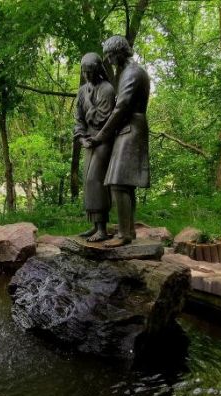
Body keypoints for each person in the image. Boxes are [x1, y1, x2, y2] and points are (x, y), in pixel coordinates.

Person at [84, 36, 150, 248]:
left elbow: (121, 107)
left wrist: (101, 135)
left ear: (120, 52)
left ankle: (124, 234)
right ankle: (128, 231)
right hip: (128, 128)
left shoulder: (131, 72)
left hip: (130, 129)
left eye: (111, 55)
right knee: (124, 184)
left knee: (118, 183)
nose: (109, 60)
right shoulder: (130, 71)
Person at [73, 53, 116, 242]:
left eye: (90, 71)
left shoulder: (107, 89)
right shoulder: (82, 90)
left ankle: (103, 229)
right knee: (88, 183)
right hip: (89, 141)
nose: (87, 75)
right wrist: (81, 138)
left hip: (103, 140)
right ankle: (95, 225)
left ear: (98, 69)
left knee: (96, 181)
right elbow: (78, 119)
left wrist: (89, 101)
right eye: (84, 72)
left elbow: (101, 118)